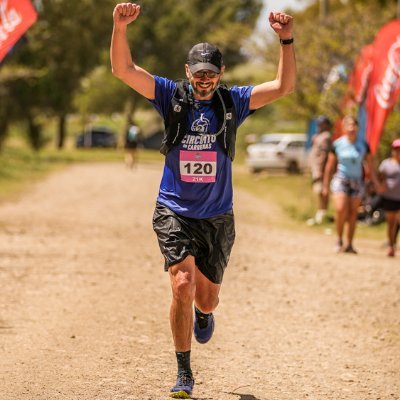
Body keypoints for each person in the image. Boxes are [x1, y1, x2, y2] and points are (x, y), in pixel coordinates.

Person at [110, 3, 296, 397]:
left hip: (217, 216)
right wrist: (120, 28)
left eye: (212, 74)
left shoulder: (235, 102)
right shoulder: (169, 95)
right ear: (187, 72)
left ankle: (202, 313)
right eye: (199, 74)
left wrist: (286, 42)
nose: (205, 81)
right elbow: (124, 71)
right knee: (181, 283)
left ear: (221, 74)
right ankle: (183, 372)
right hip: (174, 210)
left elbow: (282, 88)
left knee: (207, 299)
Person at [322, 115, 379, 254]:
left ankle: (350, 244)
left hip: (357, 181)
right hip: (341, 179)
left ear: (357, 127)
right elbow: (330, 166)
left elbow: (370, 165)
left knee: (353, 213)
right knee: (341, 209)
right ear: (343, 127)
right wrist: (325, 185)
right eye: (348, 125)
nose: (351, 128)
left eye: (354, 125)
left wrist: (375, 182)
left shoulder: (363, 144)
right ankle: (339, 239)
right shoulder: (337, 144)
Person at [307, 115, 332, 225]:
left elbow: (324, 154)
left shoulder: (326, 136)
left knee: (322, 191)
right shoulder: (319, 135)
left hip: (320, 169)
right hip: (316, 168)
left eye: (321, 123)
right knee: (319, 191)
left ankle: (322, 213)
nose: (318, 125)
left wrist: (321, 170)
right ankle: (320, 212)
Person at [377, 138, 400, 257]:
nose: (398, 152)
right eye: (396, 149)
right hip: (389, 198)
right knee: (391, 223)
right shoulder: (386, 164)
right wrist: (380, 187)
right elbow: (379, 178)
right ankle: (391, 245)